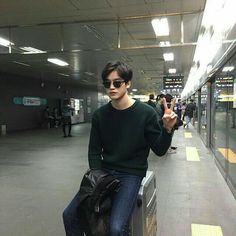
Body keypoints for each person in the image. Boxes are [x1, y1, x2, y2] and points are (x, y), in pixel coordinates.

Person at [62, 61, 177, 236]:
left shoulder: (145, 114)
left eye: (117, 83)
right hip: (104, 171)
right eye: (107, 83)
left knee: (116, 228)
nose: (111, 87)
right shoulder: (100, 115)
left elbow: (160, 150)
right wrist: (96, 177)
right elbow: (94, 150)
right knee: (70, 215)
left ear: (128, 83)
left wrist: (167, 129)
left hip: (131, 174)